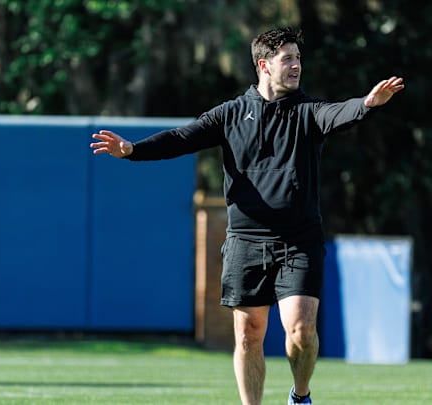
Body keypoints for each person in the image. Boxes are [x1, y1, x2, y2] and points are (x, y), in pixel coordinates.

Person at [90, 27, 404, 405]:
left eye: (298, 59)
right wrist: (132, 150)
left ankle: (300, 396)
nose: (296, 66)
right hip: (246, 241)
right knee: (248, 333)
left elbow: (339, 113)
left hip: (299, 240)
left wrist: (367, 104)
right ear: (263, 65)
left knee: (301, 331)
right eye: (287, 59)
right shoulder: (231, 114)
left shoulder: (308, 112)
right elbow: (181, 137)